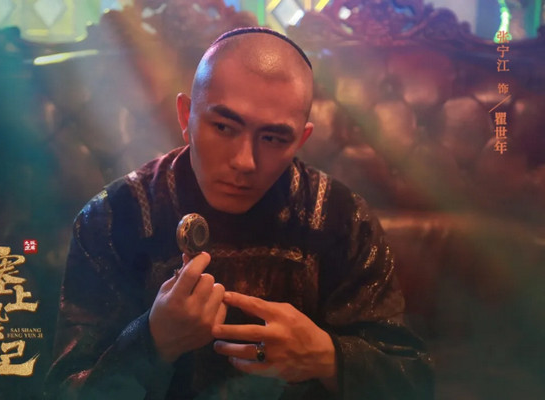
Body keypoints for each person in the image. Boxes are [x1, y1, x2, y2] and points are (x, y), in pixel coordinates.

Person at [45, 27, 433, 399]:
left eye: (273, 138)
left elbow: (412, 380)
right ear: (186, 116)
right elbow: (65, 389)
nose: (245, 162)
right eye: (224, 127)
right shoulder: (115, 216)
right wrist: (152, 341)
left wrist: (329, 359)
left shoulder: (341, 218)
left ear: (301, 139)